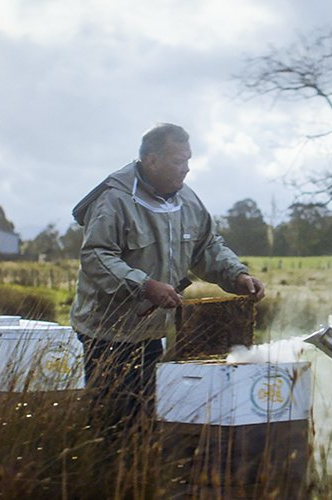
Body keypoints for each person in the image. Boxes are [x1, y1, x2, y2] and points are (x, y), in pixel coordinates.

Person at [70, 123, 265, 431]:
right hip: (106, 335)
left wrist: (237, 275)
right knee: (109, 423)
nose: (186, 169)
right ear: (152, 161)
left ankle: (137, 476)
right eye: (178, 161)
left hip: (151, 333)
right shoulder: (114, 200)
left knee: (144, 419)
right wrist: (144, 286)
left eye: (188, 160)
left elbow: (207, 246)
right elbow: (96, 256)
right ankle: (103, 476)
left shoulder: (187, 200)